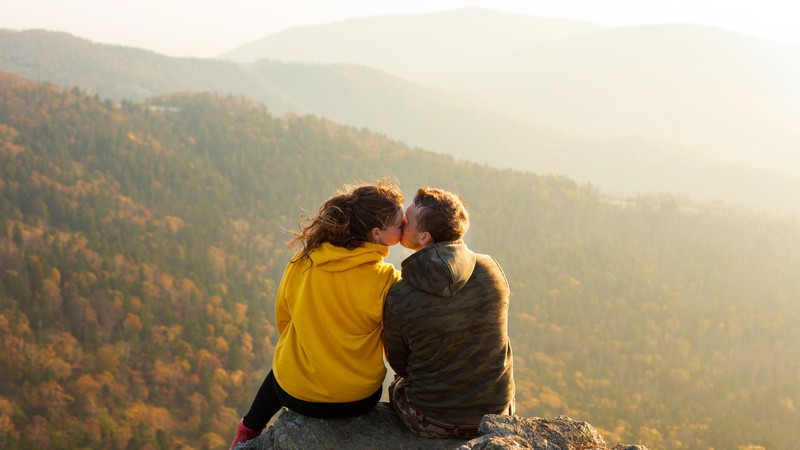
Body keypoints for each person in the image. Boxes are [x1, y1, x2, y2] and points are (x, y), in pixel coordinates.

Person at [229, 180, 405, 449]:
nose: (405, 224)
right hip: (358, 398)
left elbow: (284, 319)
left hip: (296, 394)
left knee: (285, 357)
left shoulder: (306, 259)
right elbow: (396, 340)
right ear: (377, 233)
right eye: (400, 224)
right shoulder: (387, 280)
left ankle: (248, 428)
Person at [383, 187, 515, 439]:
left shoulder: (400, 296)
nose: (402, 221)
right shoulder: (492, 270)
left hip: (432, 420)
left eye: (408, 220)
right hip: (496, 417)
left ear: (424, 239)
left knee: (398, 384)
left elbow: (400, 364)